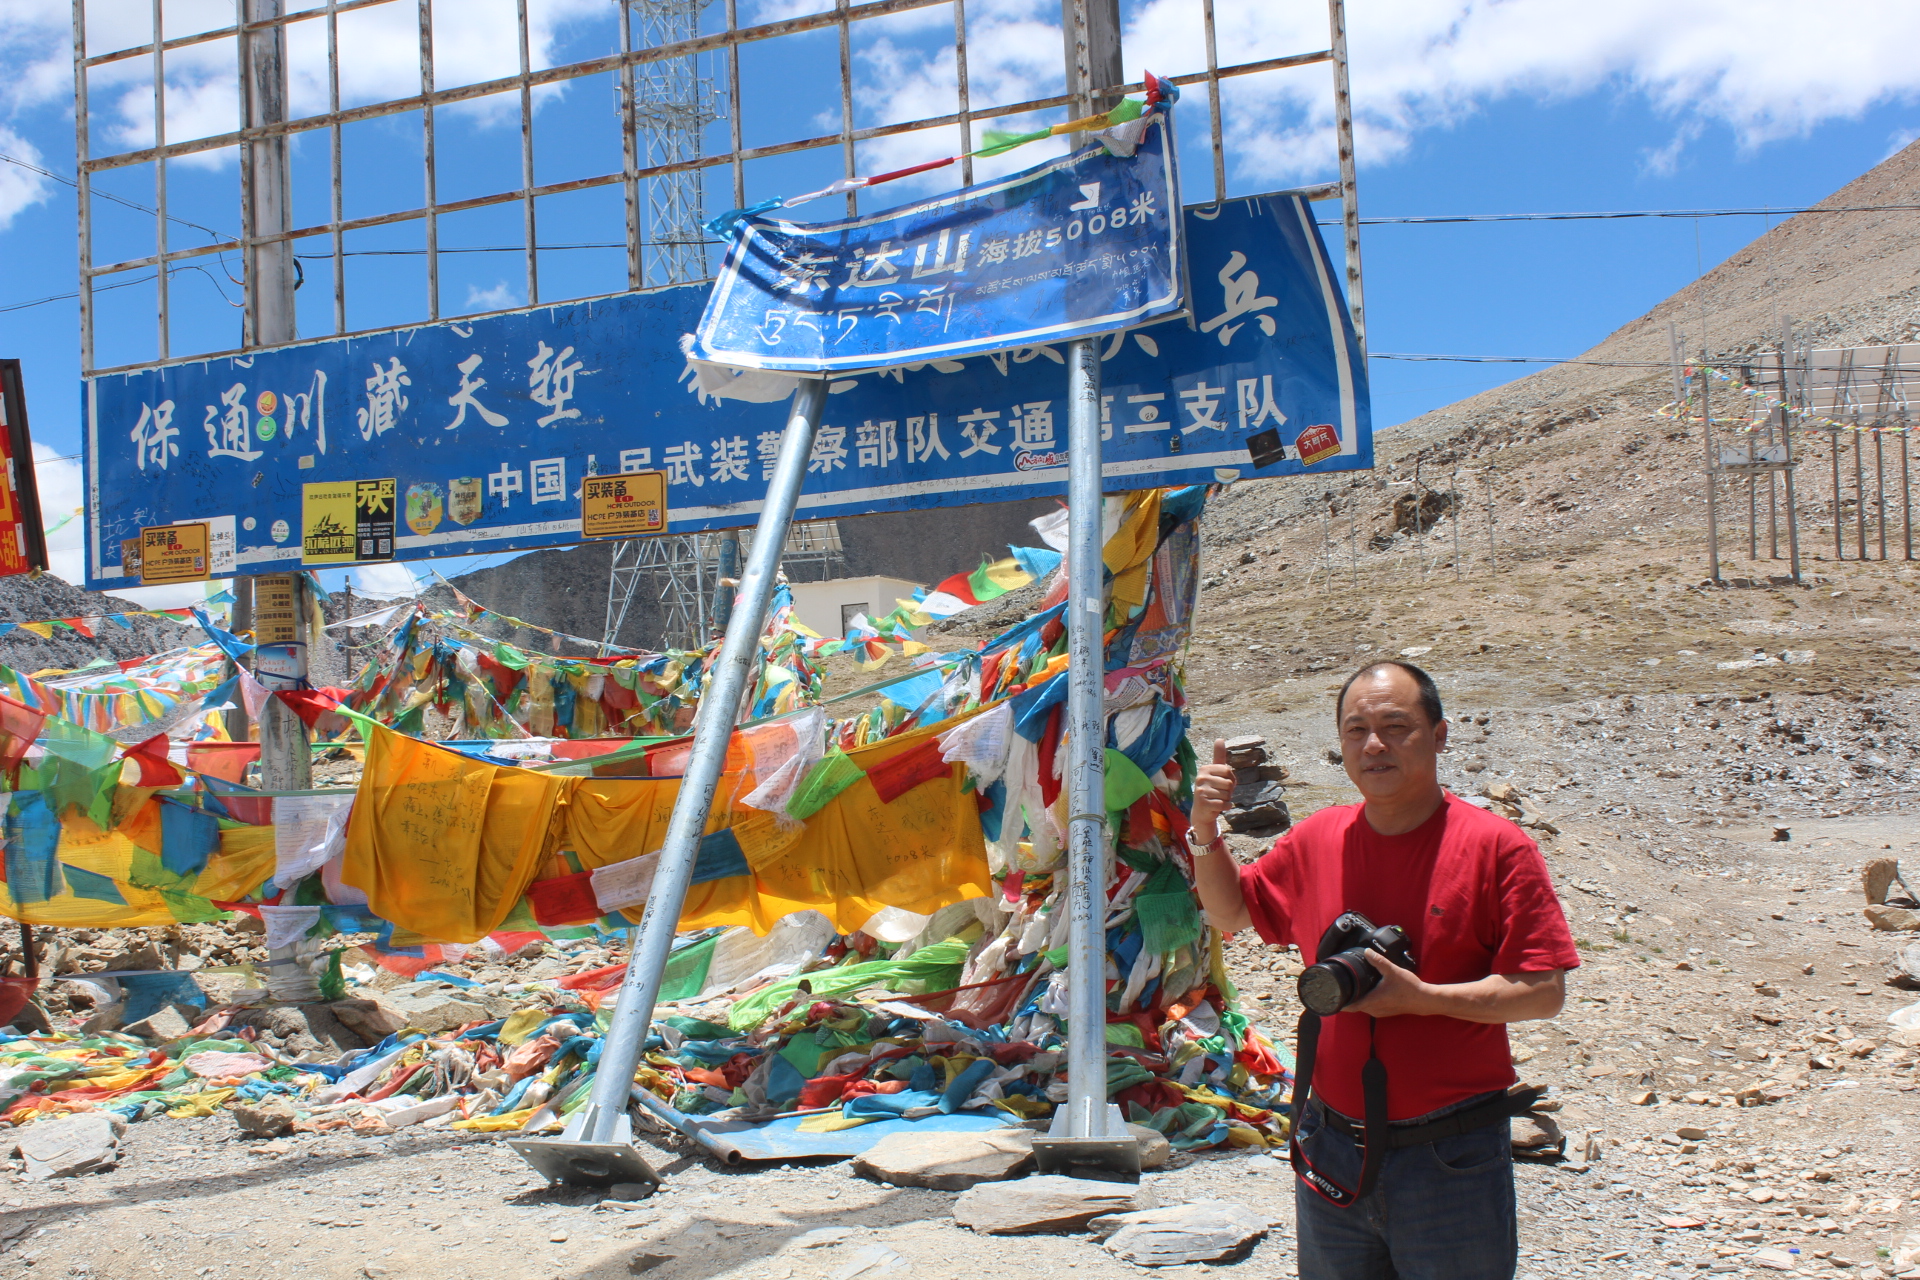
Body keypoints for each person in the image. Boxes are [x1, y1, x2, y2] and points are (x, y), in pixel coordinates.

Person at [1189, 660, 1577, 1280]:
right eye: (1356, 730)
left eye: (1396, 727)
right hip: (1330, 1142)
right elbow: (1230, 911)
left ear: (1439, 735)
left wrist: (1423, 998)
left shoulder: (1497, 847)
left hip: (1449, 1154)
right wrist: (1205, 830)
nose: (1374, 745)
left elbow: (1542, 991)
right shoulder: (1319, 837)